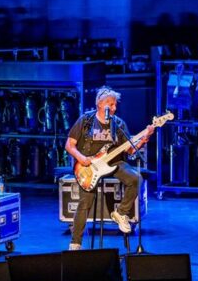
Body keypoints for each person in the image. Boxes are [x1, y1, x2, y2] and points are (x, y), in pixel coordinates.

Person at [64, 86, 154, 250]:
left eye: (114, 105)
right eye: (110, 104)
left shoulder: (118, 124)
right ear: (99, 104)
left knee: (136, 178)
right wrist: (82, 158)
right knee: (85, 203)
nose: (114, 108)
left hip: (115, 164)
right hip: (89, 166)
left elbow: (131, 150)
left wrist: (144, 137)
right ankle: (75, 243)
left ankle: (121, 212)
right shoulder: (86, 120)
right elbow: (69, 145)